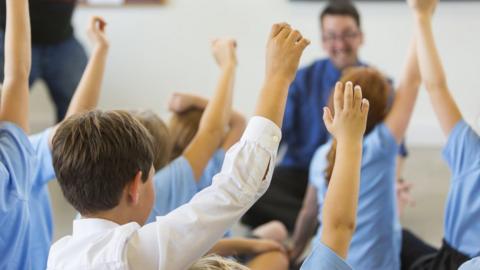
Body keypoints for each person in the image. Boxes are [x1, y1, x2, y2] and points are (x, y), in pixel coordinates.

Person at [46, 22, 310, 269]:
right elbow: (238, 186)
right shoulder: (128, 255)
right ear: (135, 185)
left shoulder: (59, 254)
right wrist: (278, 78)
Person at [241, 0, 410, 233]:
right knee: (248, 194)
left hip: (353, 177)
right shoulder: (303, 78)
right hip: (302, 171)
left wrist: (392, 183)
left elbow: (395, 147)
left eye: (347, 35)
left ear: (360, 36)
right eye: (331, 36)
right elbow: (277, 132)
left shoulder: (381, 86)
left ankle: (319, 218)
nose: (339, 43)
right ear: (322, 40)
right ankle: (328, 221)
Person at [291, 17, 421, 268]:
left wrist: (294, 251)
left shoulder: (320, 155)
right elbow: (412, 82)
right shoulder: (381, 146)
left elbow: (308, 215)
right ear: (383, 111)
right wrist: (420, 17)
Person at [402, 0, 480, 269]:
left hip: (456, 262)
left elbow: (435, 87)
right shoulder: (471, 149)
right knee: (400, 241)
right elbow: (435, 86)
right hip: (450, 256)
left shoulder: (471, 150)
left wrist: (421, 16)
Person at [300, 81, 369, 270]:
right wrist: (350, 140)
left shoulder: (320, 155)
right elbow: (339, 226)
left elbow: (312, 213)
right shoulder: (382, 147)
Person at [0, 0, 87, 122]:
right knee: (5, 103)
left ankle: (71, 140)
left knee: (76, 112)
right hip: (9, 38)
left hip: (62, 40)